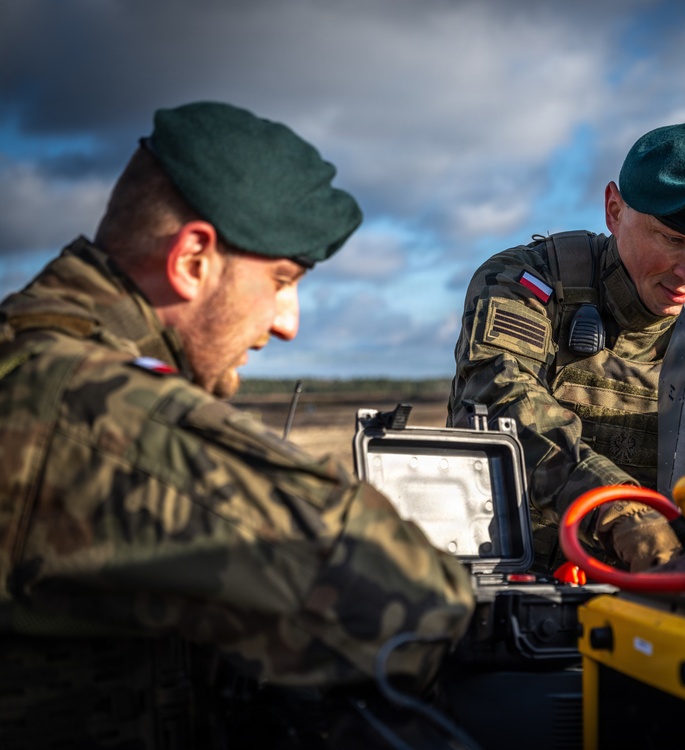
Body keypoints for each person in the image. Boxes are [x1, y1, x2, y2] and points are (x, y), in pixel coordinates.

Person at [0, 102, 474, 746]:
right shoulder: (76, 403)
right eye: (281, 280)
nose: (288, 322)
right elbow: (404, 601)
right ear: (193, 259)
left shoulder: (33, 349)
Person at [447, 121, 685, 573]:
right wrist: (624, 512)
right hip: (503, 573)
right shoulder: (528, 285)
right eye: (673, 240)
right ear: (613, 209)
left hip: (654, 595)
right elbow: (503, 406)